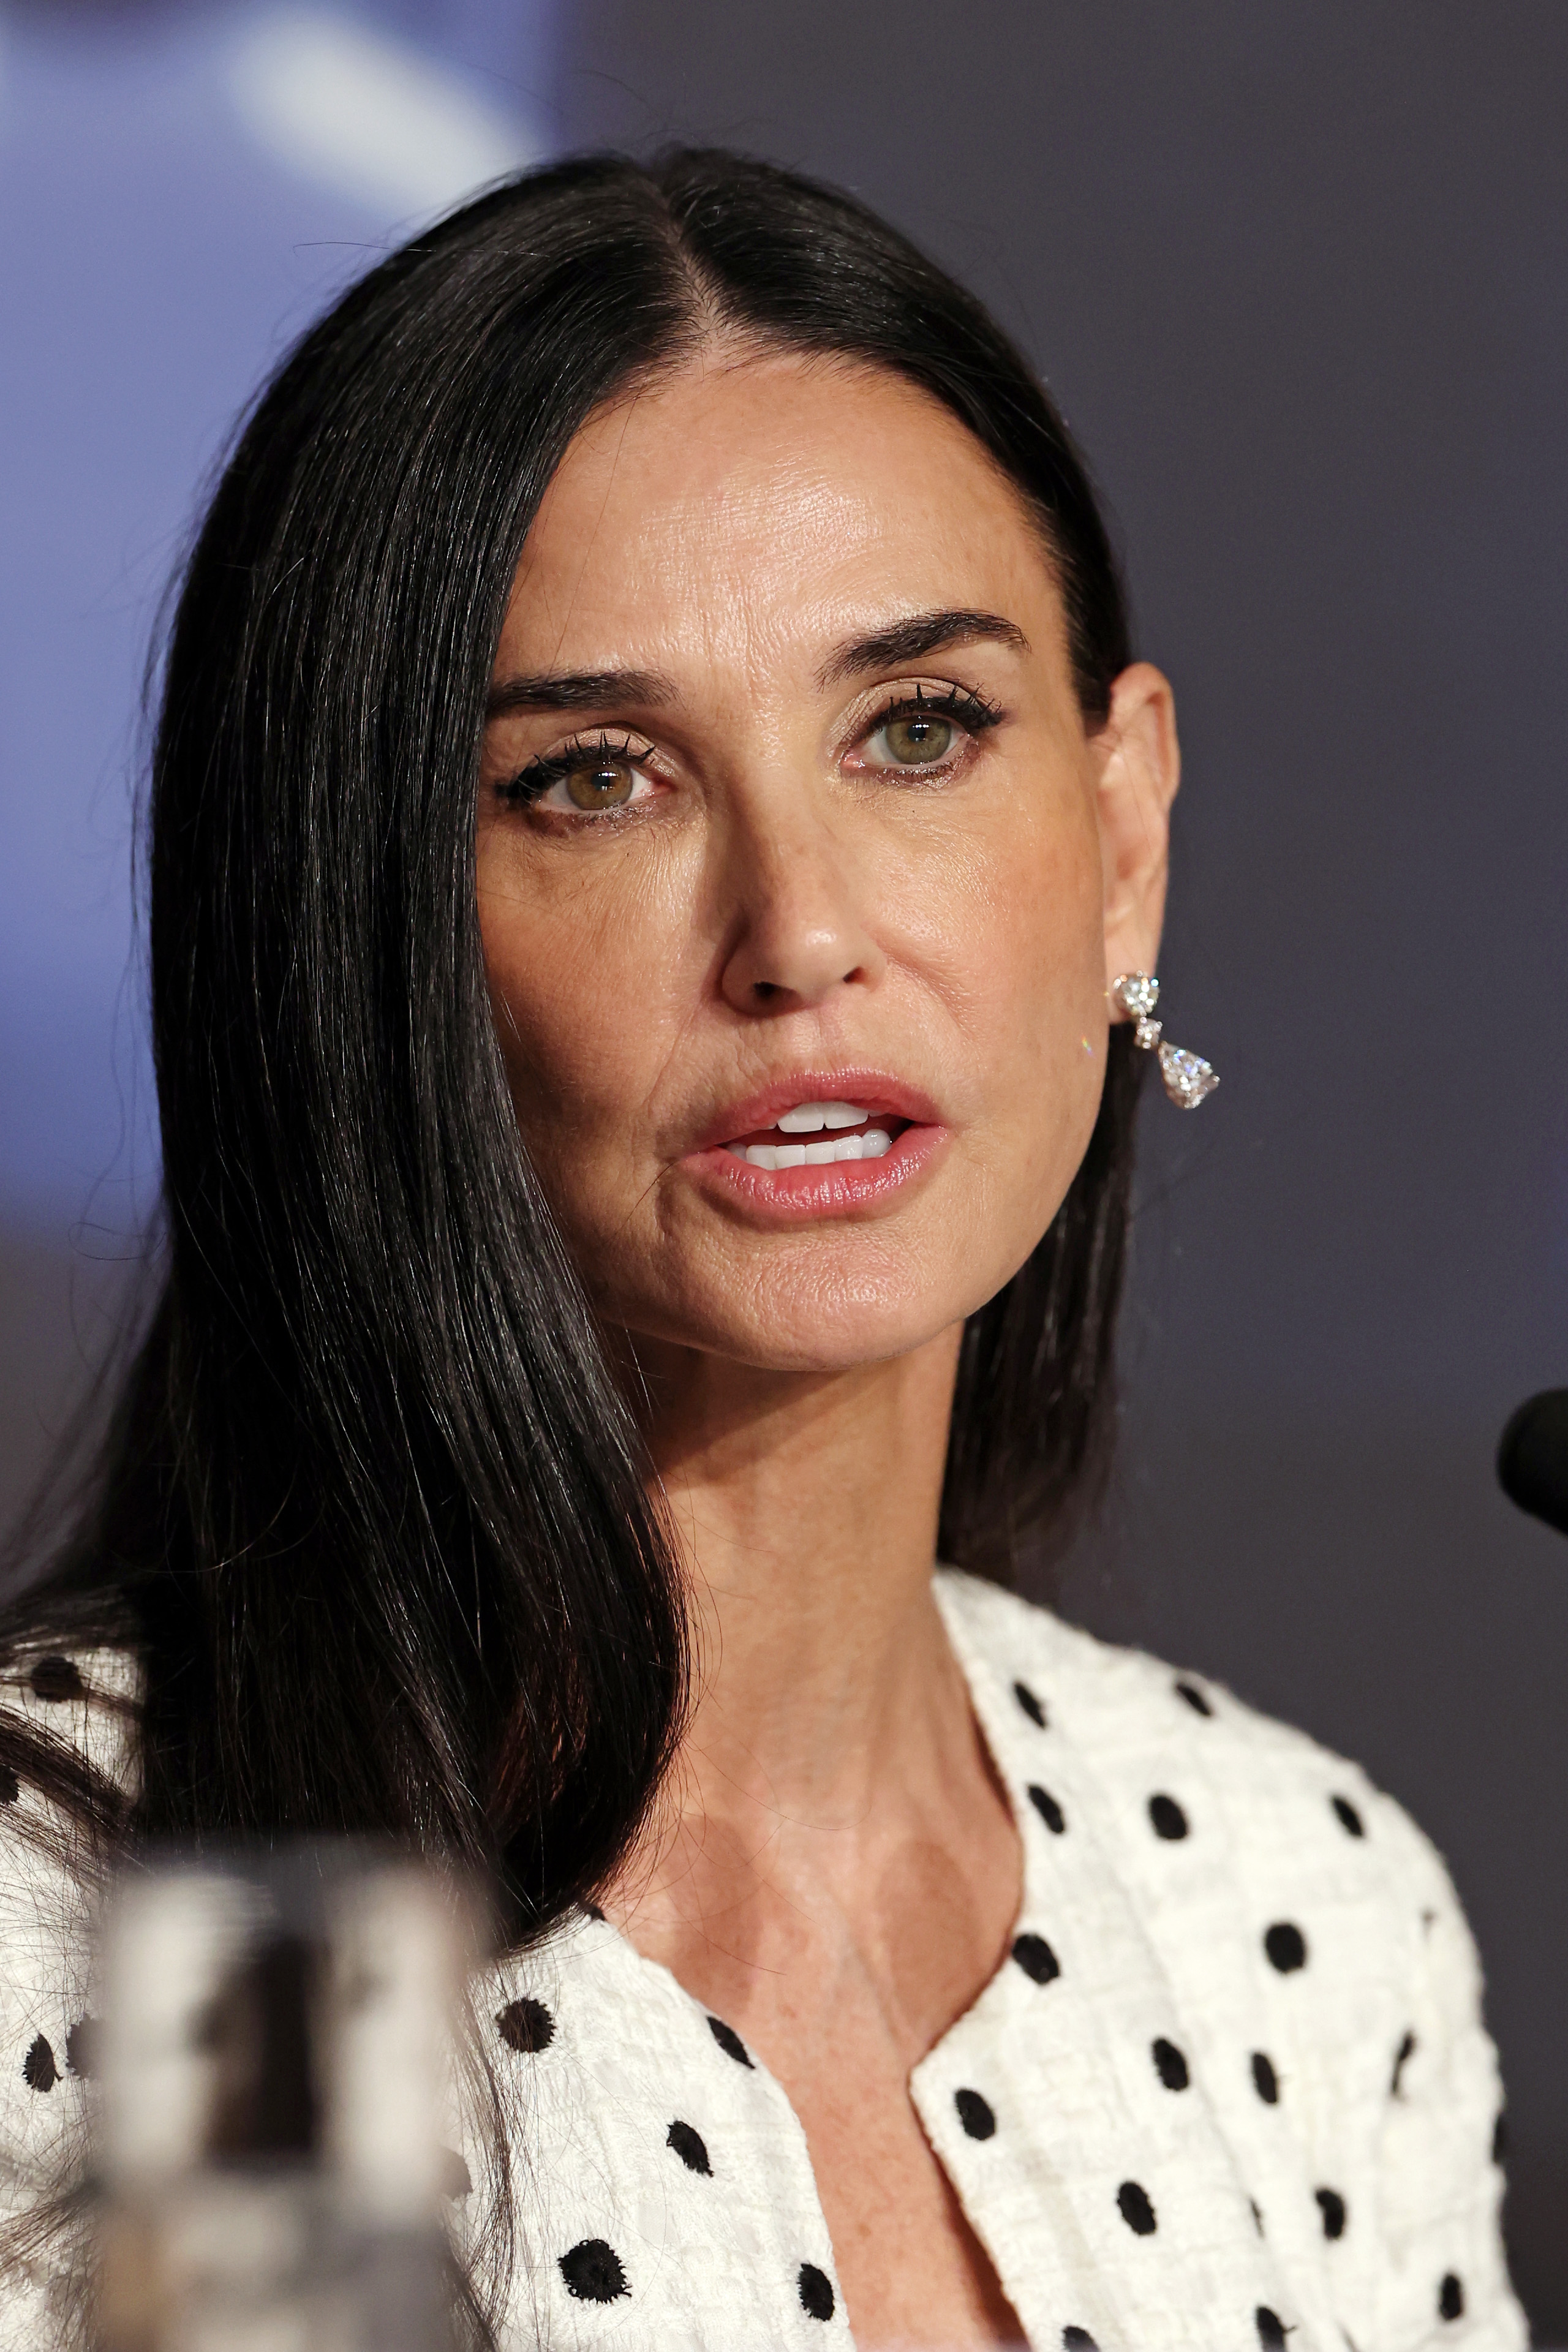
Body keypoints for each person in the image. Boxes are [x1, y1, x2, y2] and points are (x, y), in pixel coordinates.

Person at [0, 150, 1520, 2352]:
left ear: (1118, 845)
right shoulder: (123, 1923)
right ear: (367, 932)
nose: (801, 932)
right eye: (597, 779)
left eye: (918, 732)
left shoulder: (1295, 1896)